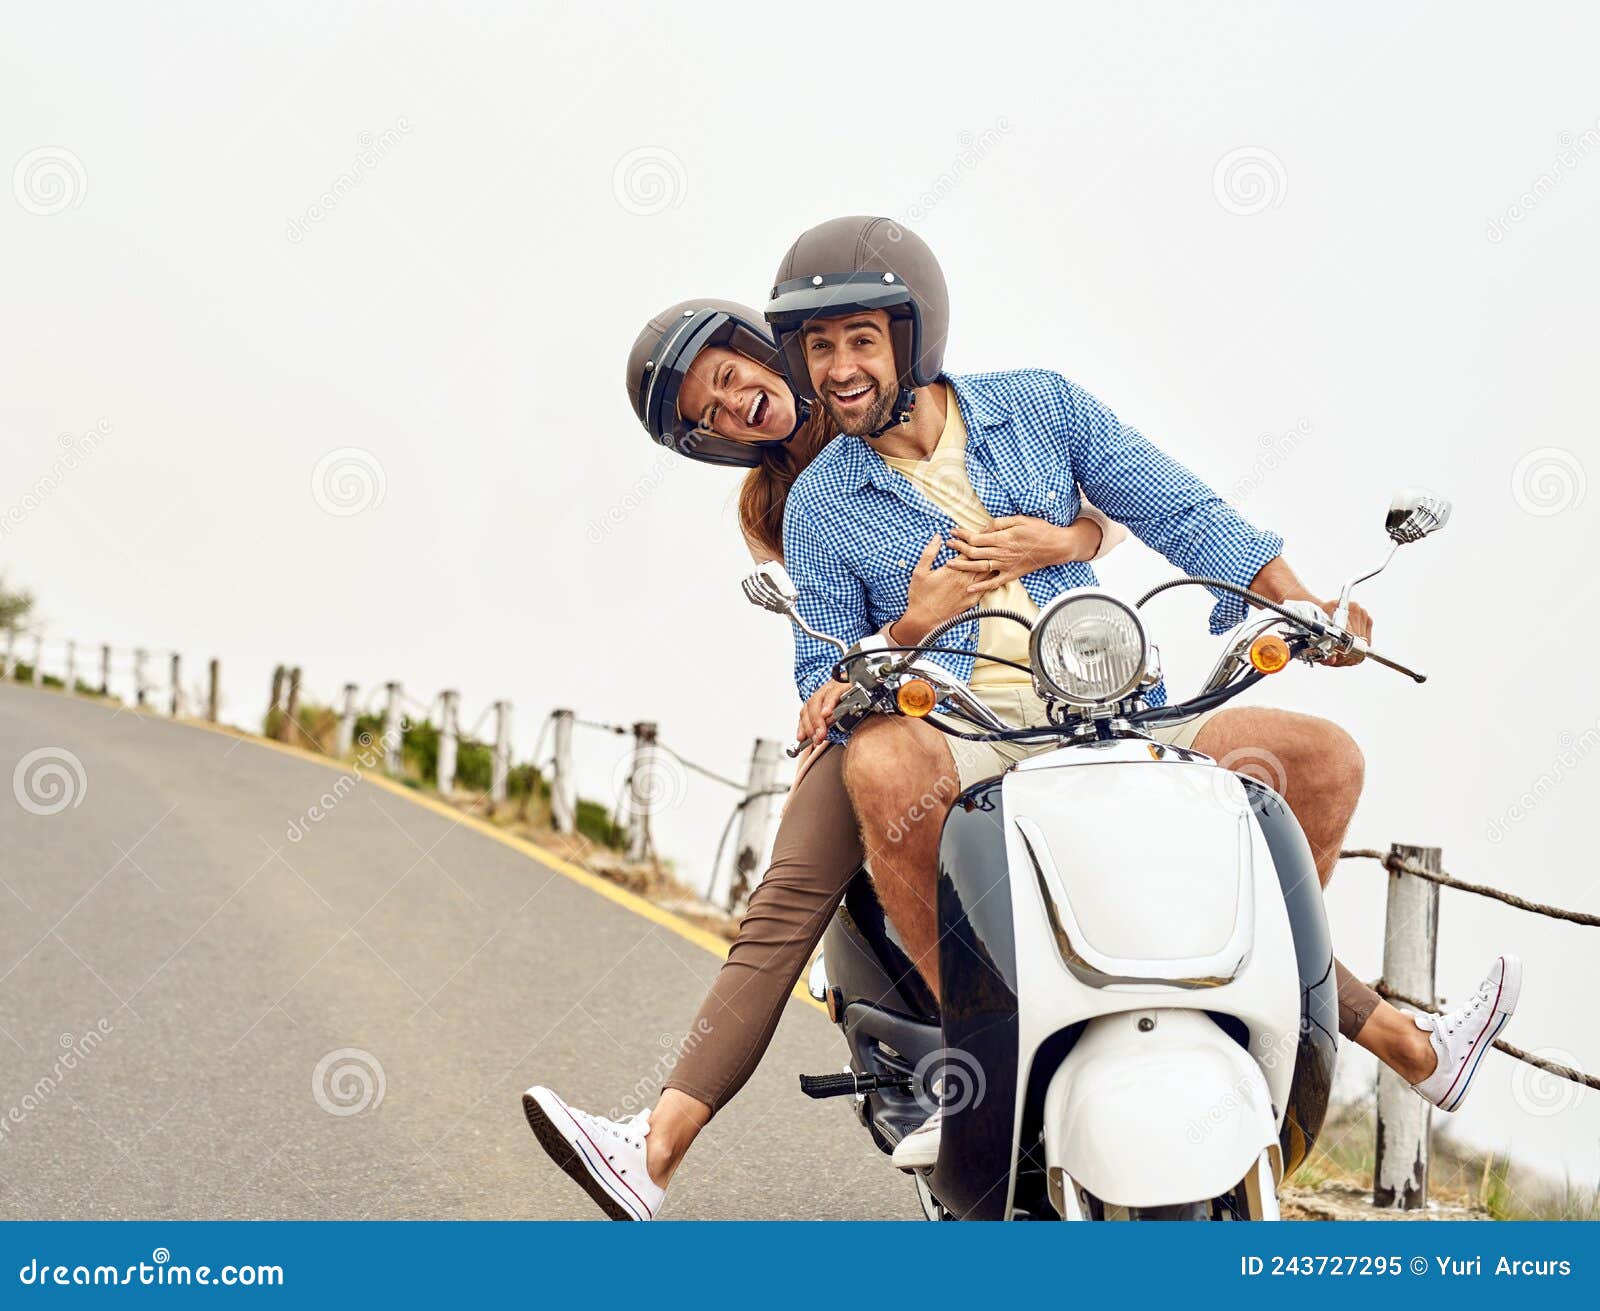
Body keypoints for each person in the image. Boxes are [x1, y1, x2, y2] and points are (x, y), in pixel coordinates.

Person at [764, 215, 1520, 1168]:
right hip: (966, 726)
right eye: (819, 346)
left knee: (1323, 759)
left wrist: (1304, 605)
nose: (838, 368)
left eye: (862, 340)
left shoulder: (1040, 406)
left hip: (1109, 706)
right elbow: (819, 672)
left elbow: (1178, 508)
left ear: (913, 340)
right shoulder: (820, 503)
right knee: (878, 760)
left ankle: (1264, 1002)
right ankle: (967, 1059)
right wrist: (904, 634)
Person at [521, 297, 1125, 1219]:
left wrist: (1070, 537)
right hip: (890, 696)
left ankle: (1400, 1039)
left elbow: (1094, 508)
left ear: (760, 349)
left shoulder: (923, 398)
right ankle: (652, 1150)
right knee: (788, 894)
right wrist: (894, 643)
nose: (733, 410)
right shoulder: (777, 503)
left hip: (1031, 676)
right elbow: (835, 644)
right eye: (709, 417)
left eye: (729, 380)